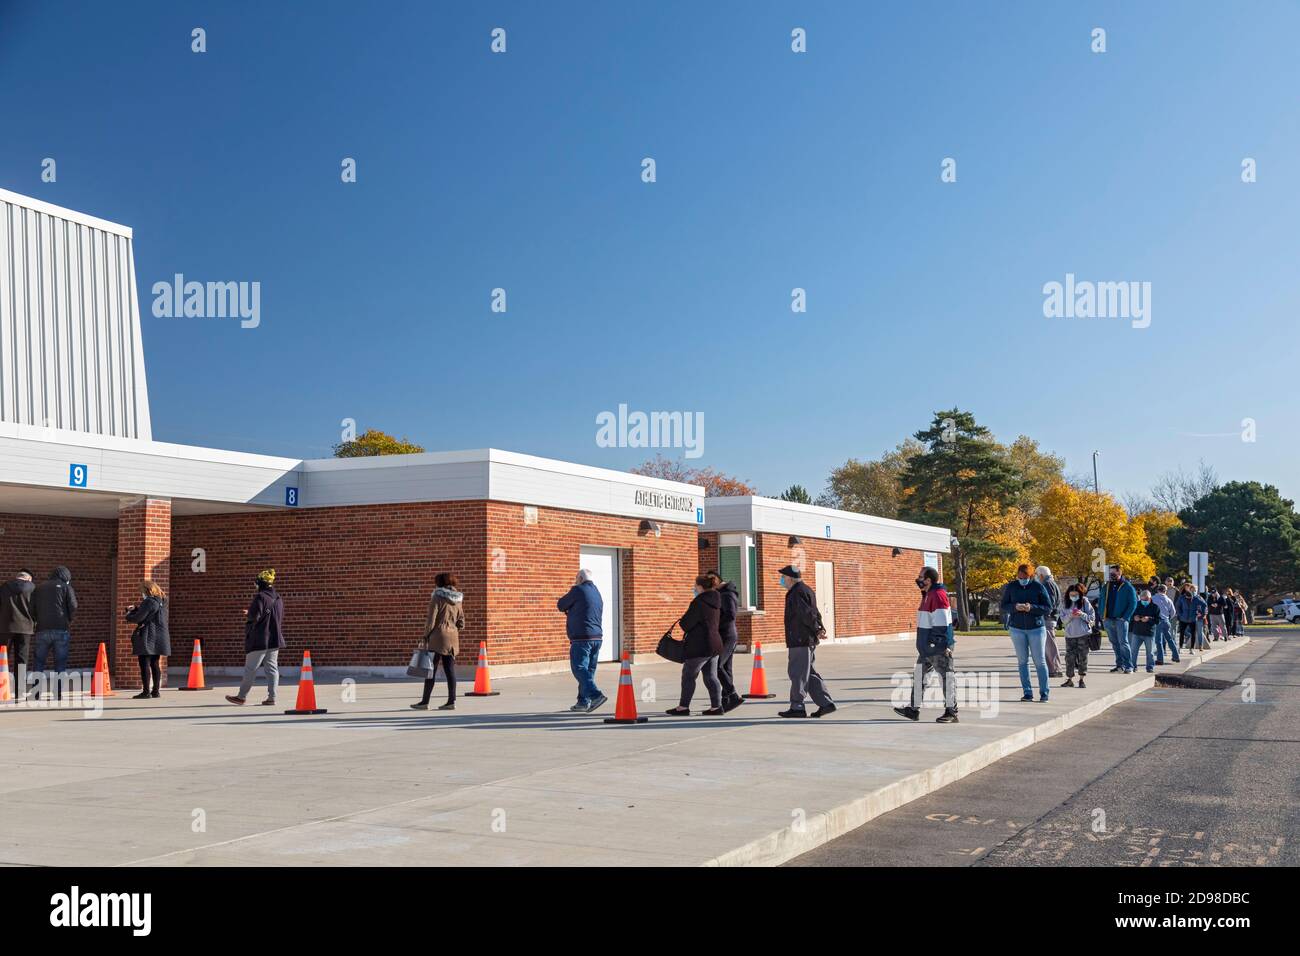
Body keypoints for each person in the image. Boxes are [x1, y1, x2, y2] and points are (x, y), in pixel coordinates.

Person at [893, 566, 957, 723]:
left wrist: (936, 644)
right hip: (926, 648)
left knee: (946, 678)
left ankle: (952, 712)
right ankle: (913, 710)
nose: (918, 579)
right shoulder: (928, 594)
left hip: (937, 647)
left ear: (928, 580)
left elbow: (941, 623)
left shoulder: (938, 595)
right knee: (920, 677)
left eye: (920, 577)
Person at [777, 565, 835, 718]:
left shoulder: (796, 593)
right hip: (806, 638)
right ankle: (825, 703)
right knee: (809, 673)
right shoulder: (806, 589)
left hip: (799, 639)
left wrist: (817, 629)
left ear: (790, 578)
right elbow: (815, 612)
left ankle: (797, 706)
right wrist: (819, 628)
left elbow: (807, 614)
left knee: (797, 673)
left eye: (783, 577)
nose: (781, 580)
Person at [667, 575, 724, 715]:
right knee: (711, 676)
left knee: (688, 675)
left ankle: (683, 707)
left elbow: (686, 624)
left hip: (699, 646)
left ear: (700, 587)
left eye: (695, 585)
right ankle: (717, 706)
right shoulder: (716, 601)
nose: (694, 588)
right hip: (715, 644)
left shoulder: (699, 602)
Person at [226, 569, 285, 705]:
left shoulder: (260, 597)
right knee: (272, 669)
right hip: (274, 639)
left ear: (261, 583)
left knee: (250, 669)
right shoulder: (278, 598)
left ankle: (241, 697)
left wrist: (248, 613)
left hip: (260, 639)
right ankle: (272, 698)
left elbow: (255, 616)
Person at [999, 563, 1054, 702]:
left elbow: (1048, 607)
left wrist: (1032, 607)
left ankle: (1044, 692)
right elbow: (1004, 605)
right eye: (1019, 576)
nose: (1022, 579)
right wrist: (1015, 607)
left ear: (1030, 576)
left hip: (1036, 628)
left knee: (1039, 661)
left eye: (1025, 577)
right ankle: (1027, 692)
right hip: (1017, 628)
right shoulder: (1012, 586)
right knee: (1022, 661)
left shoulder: (1038, 586)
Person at [411, 572, 464, 711]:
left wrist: (425, 635)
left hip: (437, 637)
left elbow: (431, 620)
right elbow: (462, 622)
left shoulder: (437, 597)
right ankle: (451, 701)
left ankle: (424, 702)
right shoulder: (458, 600)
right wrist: (453, 629)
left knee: (431, 670)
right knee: (450, 670)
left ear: (439, 583)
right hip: (453, 639)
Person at [557, 569, 607, 713]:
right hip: (597, 637)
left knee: (578, 668)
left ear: (579, 578)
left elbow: (561, 604)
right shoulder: (597, 592)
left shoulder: (578, 590)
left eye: (576, 578)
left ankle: (595, 695)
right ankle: (583, 701)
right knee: (588, 671)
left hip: (582, 638)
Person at [31, 566, 77, 698]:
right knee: (60, 662)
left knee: (39, 662)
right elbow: (73, 606)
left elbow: (31, 608)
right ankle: (57, 693)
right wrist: (68, 619)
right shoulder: (66, 587)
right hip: (61, 629)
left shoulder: (39, 588)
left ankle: (36, 692)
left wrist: (36, 620)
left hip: (42, 629)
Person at [125, 580, 170, 699]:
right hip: (159, 636)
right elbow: (151, 613)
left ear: (147, 590)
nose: (141, 594)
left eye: (142, 591)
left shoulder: (149, 601)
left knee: (144, 663)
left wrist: (129, 614)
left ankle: (146, 692)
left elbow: (139, 618)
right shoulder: (162, 601)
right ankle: (156, 691)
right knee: (155, 663)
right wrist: (136, 608)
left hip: (148, 636)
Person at [0, 569, 36, 700]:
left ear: (18, 577)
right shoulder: (32, 588)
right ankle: (20, 692)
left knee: (2, 660)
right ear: (28, 579)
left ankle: (1, 689)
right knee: (21, 660)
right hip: (25, 629)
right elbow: (36, 608)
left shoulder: (4, 587)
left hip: (5, 628)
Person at [1098, 564, 1138, 673]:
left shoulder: (1127, 586)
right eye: (1110, 573)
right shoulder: (1106, 586)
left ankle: (1129, 666)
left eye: (1113, 573)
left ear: (1119, 573)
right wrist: (1102, 616)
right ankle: (1119, 665)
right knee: (1115, 643)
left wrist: (1125, 617)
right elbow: (1101, 600)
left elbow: (1133, 604)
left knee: (1123, 643)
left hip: (1121, 620)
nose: (1111, 575)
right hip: (1108, 619)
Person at [713, 574, 744, 712]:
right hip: (725, 635)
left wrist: (716, 624)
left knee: (717, 666)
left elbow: (731, 614)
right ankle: (726, 700)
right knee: (726, 668)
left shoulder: (727, 594)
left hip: (727, 635)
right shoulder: (723, 593)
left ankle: (733, 695)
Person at [1059, 585, 1095, 687]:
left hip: (1083, 634)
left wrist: (1082, 614)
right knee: (1069, 658)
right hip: (1070, 635)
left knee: (1083, 657)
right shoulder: (1065, 603)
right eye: (1071, 594)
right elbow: (1063, 620)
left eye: (1076, 594)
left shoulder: (1085, 602)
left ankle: (1081, 679)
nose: (1073, 596)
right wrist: (1071, 615)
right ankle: (1069, 679)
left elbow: (1092, 618)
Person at [1036, 565, 1063, 677]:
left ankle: (1055, 669)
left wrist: (1044, 614)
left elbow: (1049, 603)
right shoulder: (1051, 583)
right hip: (1050, 617)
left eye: (1037, 575)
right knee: (1048, 645)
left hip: (1048, 618)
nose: (1037, 577)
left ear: (1041, 575)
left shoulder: (1047, 584)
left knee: (1050, 646)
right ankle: (1052, 668)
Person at [1129, 590, 1160, 673]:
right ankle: (1133, 666)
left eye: (1145, 600)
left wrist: (1148, 619)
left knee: (1150, 653)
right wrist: (1134, 618)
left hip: (1149, 633)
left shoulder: (1155, 607)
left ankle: (1150, 667)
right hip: (1137, 632)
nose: (1143, 602)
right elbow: (1130, 615)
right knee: (1133, 651)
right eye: (1142, 600)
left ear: (1150, 599)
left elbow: (1158, 620)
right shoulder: (1137, 605)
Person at [1151, 584, 1180, 665]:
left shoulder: (1153, 598)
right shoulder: (1168, 600)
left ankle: (1160, 659)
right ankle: (1176, 656)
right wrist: (1168, 618)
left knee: (1158, 641)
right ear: (1165, 591)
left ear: (1157, 590)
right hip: (1166, 621)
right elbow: (1173, 612)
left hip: (1158, 621)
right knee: (1169, 639)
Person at [1175, 583, 1207, 651]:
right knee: (1182, 633)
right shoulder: (1182, 597)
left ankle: (1192, 648)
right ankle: (1180, 647)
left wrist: (1202, 613)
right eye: (1192, 590)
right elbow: (1177, 606)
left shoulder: (1196, 598)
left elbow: (1204, 605)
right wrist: (1180, 615)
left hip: (1193, 619)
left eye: (1194, 590)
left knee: (1194, 633)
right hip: (1183, 619)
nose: (1193, 592)